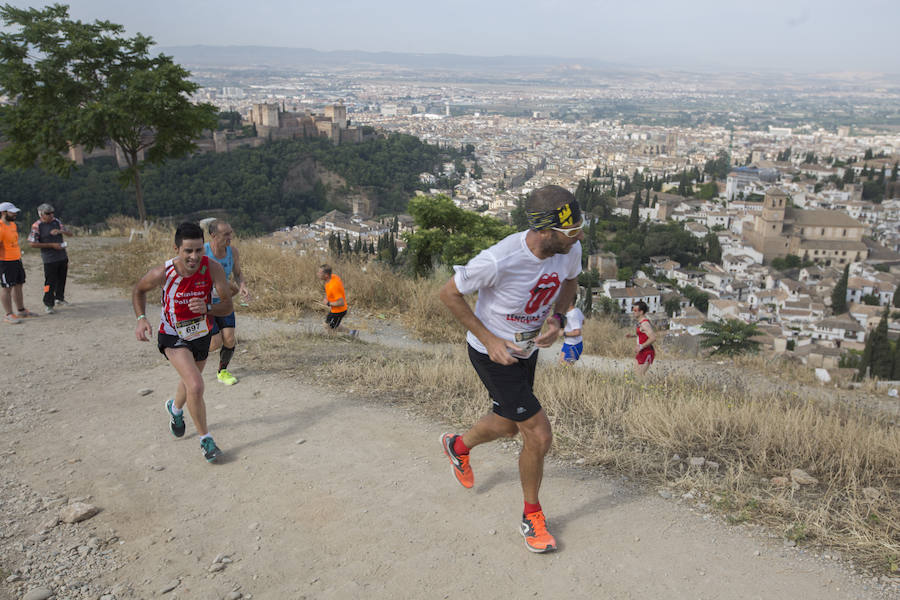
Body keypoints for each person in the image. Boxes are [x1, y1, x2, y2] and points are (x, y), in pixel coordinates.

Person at [438, 184, 583, 553]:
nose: (579, 236)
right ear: (544, 230)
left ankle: (457, 445)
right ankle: (532, 517)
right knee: (538, 435)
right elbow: (448, 293)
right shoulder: (500, 259)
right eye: (570, 231)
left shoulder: (569, 248)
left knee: (506, 425)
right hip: (492, 354)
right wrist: (488, 339)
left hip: (526, 349)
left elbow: (569, 281)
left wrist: (558, 317)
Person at [133, 222, 233, 463]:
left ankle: (175, 409)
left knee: (190, 382)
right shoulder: (163, 273)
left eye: (198, 250)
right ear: (177, 249)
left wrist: (208, 307)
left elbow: (228, 305)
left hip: (201, 334)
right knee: (196, 386)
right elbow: (138, 290)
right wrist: (141, 319)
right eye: (188, 251)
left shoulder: (213, 268)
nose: (194, 256)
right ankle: (206, 440)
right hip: (172, 336)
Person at [204, 220, 250, 386]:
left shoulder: (233, 252)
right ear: (213, 235)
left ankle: (222, 371)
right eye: (226, 234)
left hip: (225, 302)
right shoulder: (203, 251)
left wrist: (242, 286)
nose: (230, 237)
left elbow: (237, 274)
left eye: (231, 233)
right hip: (206, 305)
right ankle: (189, 353)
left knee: (229, 339)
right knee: (214, 343)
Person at [27, 203, 72, 314]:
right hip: (49, 258)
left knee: (62, 278)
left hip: (62, 256)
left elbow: (70, 234)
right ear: (41, 214)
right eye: (48, 213)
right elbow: (32, 243)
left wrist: (61, 231)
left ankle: (59, 298)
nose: (51, 215)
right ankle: (48, 303)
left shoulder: (56, 222)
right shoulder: (37, 226)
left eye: (52, 213)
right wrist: (51, 245)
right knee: (50, 282)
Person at [0, 202, 38, 324]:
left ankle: (21, 310)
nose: (15, 214)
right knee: (7, 288)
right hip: (5, 262)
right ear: (4, 212)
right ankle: (8, 314)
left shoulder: (12, 225)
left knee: (18, 285)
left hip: (16, 259)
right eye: (12, 212)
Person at [317, 264, 357, 336]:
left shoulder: (333, 286)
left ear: (326, 275)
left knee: (328, 326)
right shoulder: (333, 277)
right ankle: (351, 332)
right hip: (336, 310)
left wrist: (328, 303)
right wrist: (327, 297)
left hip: (339, 311)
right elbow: (330, 290)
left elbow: (341, 302)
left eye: (320, 273)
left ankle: (333, 340)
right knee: (332, 325)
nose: (318, 274)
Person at [627, 300, 657, 377]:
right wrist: (632, 335)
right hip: (642, 351)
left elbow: (653, 338)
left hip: (647, 351)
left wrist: (641, 346)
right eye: (633, 310)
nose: (633, 312)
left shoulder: (644, 324)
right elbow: (642, 334)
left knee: (640, 375)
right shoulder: (641, 323)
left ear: (641, 312)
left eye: (635, 310)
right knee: (636, 375)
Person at [558, 301, 585, 366]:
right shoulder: (577, 310)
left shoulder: (573, 315)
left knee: (565, 369)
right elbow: (583, 321)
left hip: (574, 346)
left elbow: (577, 332)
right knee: (560, 366)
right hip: (568, 344)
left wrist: (564, 333)